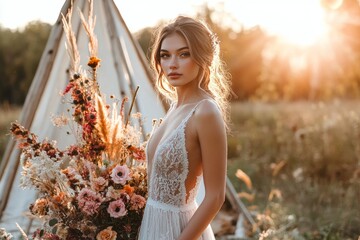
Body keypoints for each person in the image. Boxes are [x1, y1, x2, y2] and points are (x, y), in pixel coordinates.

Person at [138, 15, 231, 240]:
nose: (172, 64)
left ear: (202, 57)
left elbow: (216, 196)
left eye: (184, 54)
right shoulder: (174, 107)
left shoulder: (205, 111)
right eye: (165, 55)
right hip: (152, 226)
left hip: (180, 231)